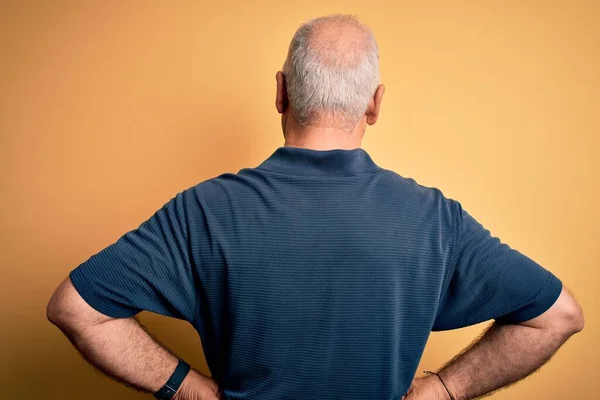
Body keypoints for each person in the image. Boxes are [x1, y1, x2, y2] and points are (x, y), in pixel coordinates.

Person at [47, 14, 584, 400]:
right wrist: (443, 389)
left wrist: (189, 392)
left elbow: (75, 308)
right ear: (375, 104)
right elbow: (558, 316)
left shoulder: (202, 211)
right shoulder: (434, 219)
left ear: (280, 93)